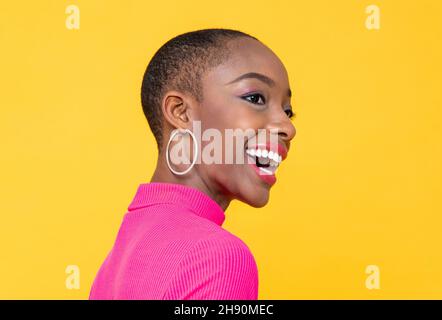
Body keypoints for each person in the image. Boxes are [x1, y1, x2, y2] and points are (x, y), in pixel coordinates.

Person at [89, 28, 296, 299]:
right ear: (180, 112)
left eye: (288, 111)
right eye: (255, 98)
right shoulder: (218, 257)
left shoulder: (116, 262)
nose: (288, 127)